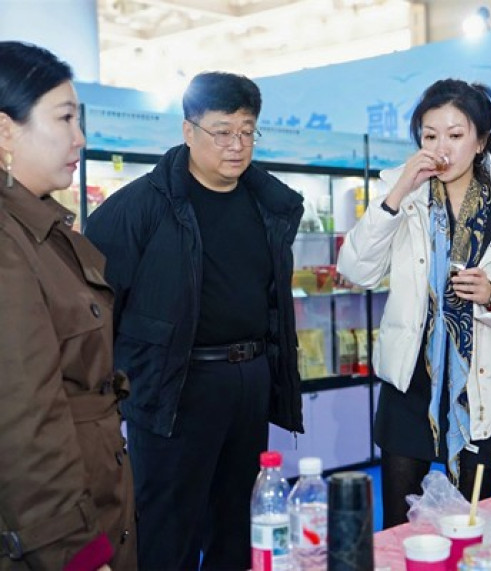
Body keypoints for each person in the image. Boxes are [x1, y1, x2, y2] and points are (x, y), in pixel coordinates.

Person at [84, 72, 304, 569]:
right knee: (168, 526)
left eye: (247, 131)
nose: (237, 145)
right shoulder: (138, 207)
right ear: (189, 131)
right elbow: (95, 307)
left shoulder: (269, 204)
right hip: (175, 386)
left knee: (239, 523)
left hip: (248, 380)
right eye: (222, 132)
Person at [337, 78, 491, 529]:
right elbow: (356, 270)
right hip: (410, 385)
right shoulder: (406, 198)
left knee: (469, 529)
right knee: (399, 528)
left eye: (456, 135)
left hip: (481, 392)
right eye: (430, 135)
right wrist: (397, 193)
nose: (442, 148)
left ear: (481, 141)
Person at [0, 41, 136, 570]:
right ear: (5, 130)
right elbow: (24, 420)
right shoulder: (9, 241)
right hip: (61, 533)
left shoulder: (41, 227)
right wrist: (77, 557)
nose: (79, 137)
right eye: (64, 118)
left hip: (94, 493)